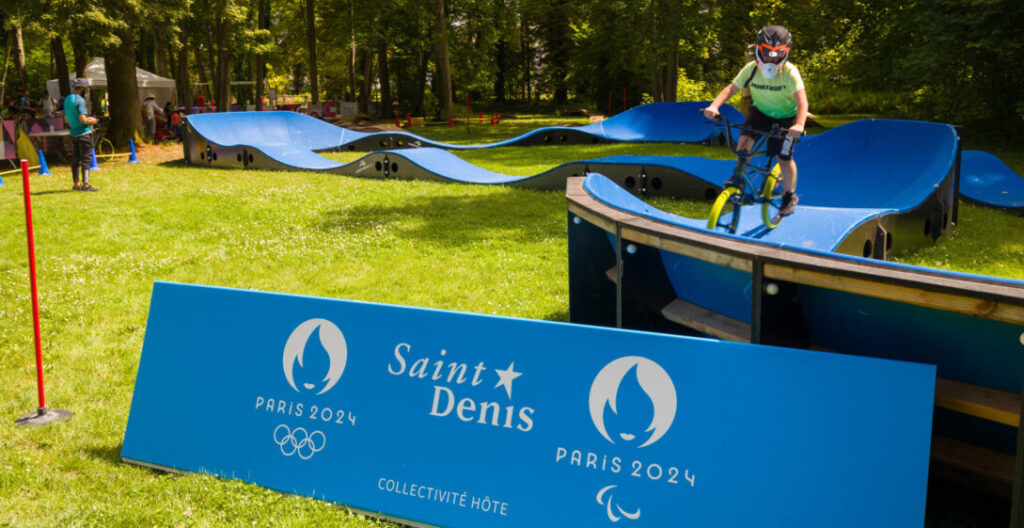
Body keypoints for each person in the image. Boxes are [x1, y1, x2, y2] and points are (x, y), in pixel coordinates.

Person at [702, 25, 808, 217]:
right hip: (761, 113)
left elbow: (802, 102)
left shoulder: (790, 72)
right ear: (759, 49)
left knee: (783, 158)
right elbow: (730, 89)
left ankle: (789, 194)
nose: (771, 58)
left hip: (786, 118)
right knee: (742, 145)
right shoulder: (751, 69)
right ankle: (739, 177)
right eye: (767, 52)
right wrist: (714, 106)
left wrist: (799, 124)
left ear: (786, 52)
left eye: (778, 53)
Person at [63, 77, 100, 192]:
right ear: (82, 88)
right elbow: (83, 120)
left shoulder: (67, 99)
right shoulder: (80, 100)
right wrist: (92, 121)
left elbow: (65, 119)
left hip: (73, 133)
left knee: (75, 159)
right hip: (84, 133)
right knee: (86, 159)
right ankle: (86, 185)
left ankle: (76, 184)